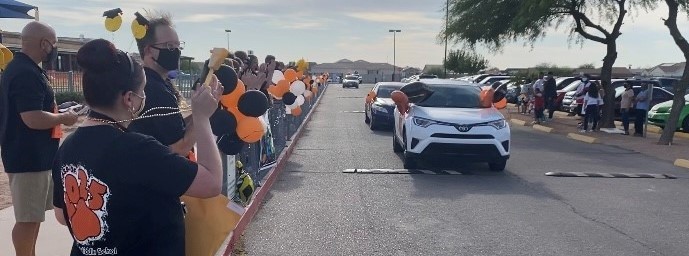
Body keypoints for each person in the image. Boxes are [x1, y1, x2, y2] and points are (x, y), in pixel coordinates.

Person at [52, 39, 223, 255]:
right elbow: (211, 183)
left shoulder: (68, 146)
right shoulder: (137, 148)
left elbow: (61, 214)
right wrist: (202, 118)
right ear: (129, 99)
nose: (145, 97)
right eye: (143, 91)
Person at [0, 21, 78, 256]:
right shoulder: (25, 73)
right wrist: (64, 118)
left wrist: (58, 111)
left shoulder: (24, 69)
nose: (54, 48)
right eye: (54, 44)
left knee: (33, 217)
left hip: (35, 156)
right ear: (44, 44)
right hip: (28, 158)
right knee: (27, 219)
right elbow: (32, 118)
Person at [129, 13, 194, 157]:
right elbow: (178, 149)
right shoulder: (154, 89)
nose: (176, 51)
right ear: (148, 50)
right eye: (169, 46)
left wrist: (200, 112)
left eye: (178, 46)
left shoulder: (152, 82)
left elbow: (171, 126)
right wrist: (202, 116)